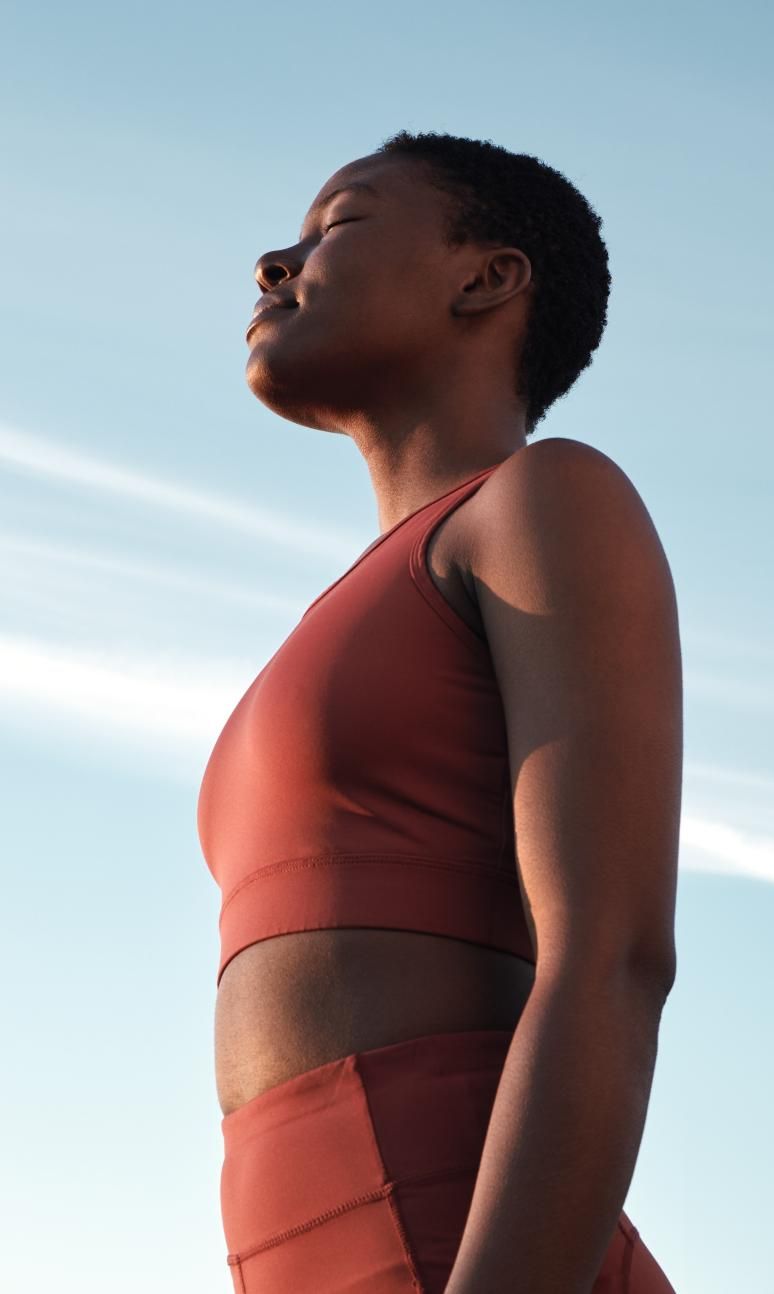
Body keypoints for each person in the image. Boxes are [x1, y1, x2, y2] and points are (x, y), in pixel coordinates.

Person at [197, 129, 682, 1293]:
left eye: (340, 223)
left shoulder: (544, 499)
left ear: (485, 276)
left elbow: (613, 957)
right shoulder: (347, 605)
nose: (278, 260)